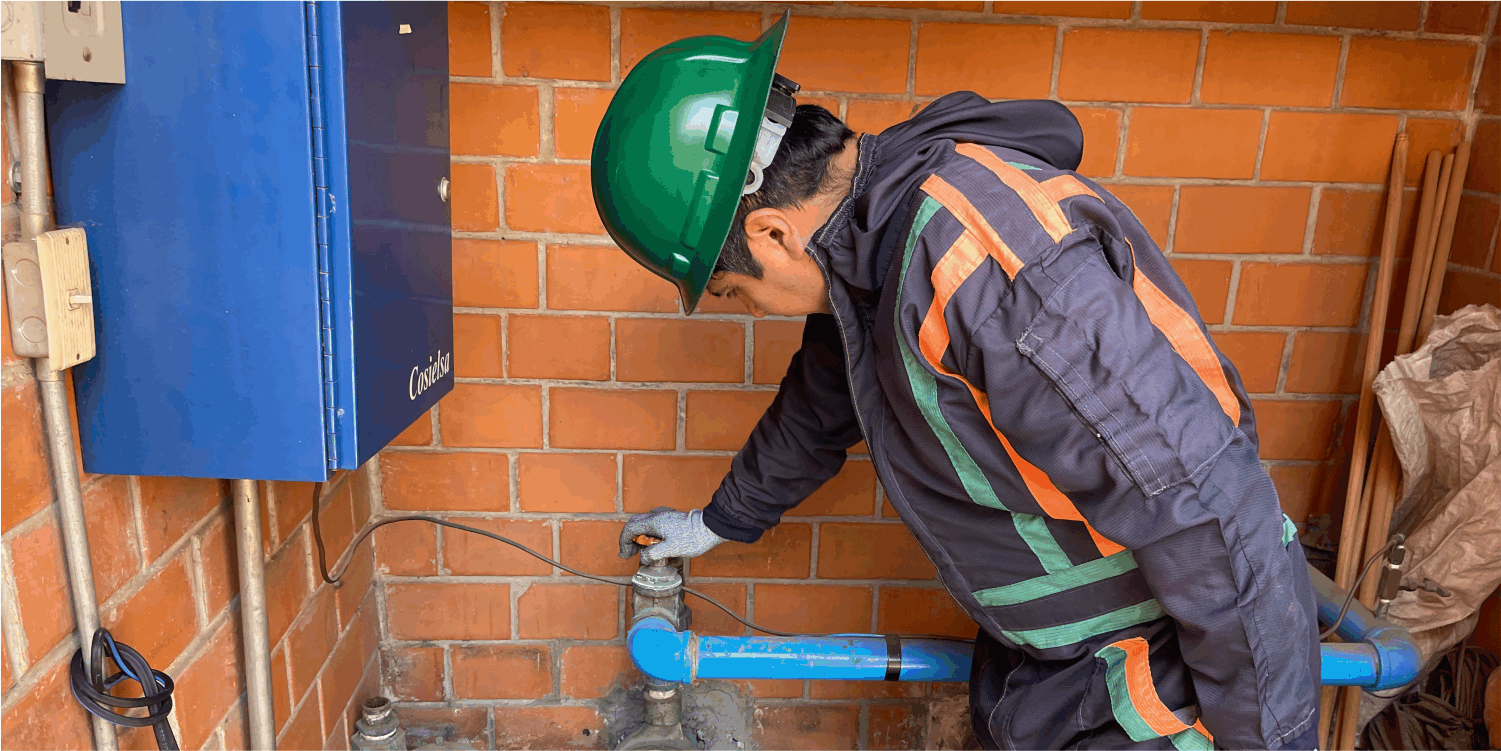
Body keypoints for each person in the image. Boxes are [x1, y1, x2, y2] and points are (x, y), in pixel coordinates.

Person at [592, 14, 1320, 750]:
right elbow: (817, 408)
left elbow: (1208, 511)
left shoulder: (993, 270)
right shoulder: (870, 253)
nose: (748, 309)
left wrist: (1270, 738)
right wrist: (716, 522)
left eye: (732, 293)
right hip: (1054, 667)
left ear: (772, 233)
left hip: (1151, 678)